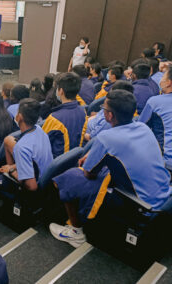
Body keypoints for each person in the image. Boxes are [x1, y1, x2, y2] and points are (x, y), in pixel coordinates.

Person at [50, 90, 172, 248]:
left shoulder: (106, 138)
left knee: (69, 177)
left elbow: (89, 173)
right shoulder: (143, 127)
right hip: (163, 194)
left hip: (143, 206)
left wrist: (95, 158)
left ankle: (76, 233)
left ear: (109, 115)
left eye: (104, 109)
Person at [0, 98, 53, 193]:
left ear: (19, 117)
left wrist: (10, 171)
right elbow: (32, 161)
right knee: (8, 140)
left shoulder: (21, 147)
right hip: (41, 173)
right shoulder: (39, 129)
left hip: (32, 188)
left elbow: (32, 187)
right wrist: (1, 170)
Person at [42, 72, 87, 158]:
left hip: (55, 165)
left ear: (61, 91)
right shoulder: (83, 111)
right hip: (74, 159)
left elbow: (41, 144)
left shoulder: (54, 118)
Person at [139, 65, 172, 162]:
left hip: (165, 161)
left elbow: (141, 127)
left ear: (168, 83)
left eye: (163, 77)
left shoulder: (155, 102)